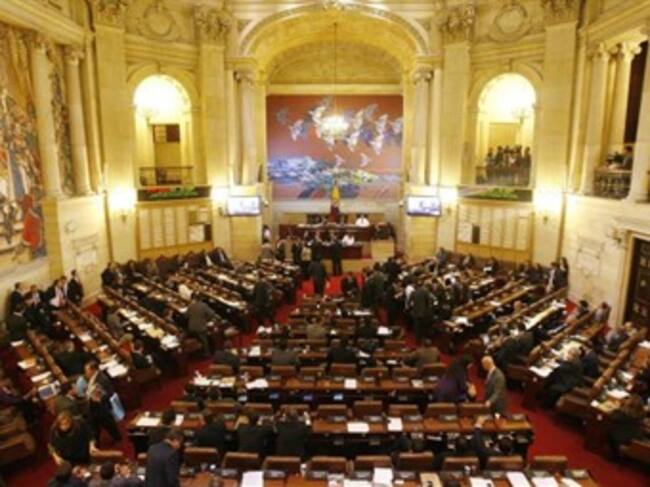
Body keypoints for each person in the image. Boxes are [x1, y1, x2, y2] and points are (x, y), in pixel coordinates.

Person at [84, 361, 122, 444]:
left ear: (93, 370)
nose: (85, 373)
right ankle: (96, 442)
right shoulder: (94, 377)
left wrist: (99, 398)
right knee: (95, 426)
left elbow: (109, 392)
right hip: (94, 407)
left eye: (86, 370)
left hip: (102, 407)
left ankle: (117, 438)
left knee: (108, 424)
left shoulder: (102, 379)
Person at [606, 394, 645, 459]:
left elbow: (611, 416)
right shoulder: (641, 415)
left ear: (629, 403)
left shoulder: (621, 413)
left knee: (607, 429)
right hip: (631, 439)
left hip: (618, 439)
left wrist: (620, 406)